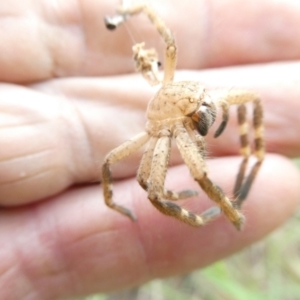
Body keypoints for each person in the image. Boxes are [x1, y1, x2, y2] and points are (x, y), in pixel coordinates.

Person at [0, 0, 300, 299]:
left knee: (251, 98)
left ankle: (250, 162)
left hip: (191, 99)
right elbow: (113, 166)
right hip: (169, 121)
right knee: (153, 187)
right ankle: (219, 212)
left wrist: (136, 10)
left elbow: (171, 41)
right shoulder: (162, 132)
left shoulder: (193, 96)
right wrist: (119, 202)